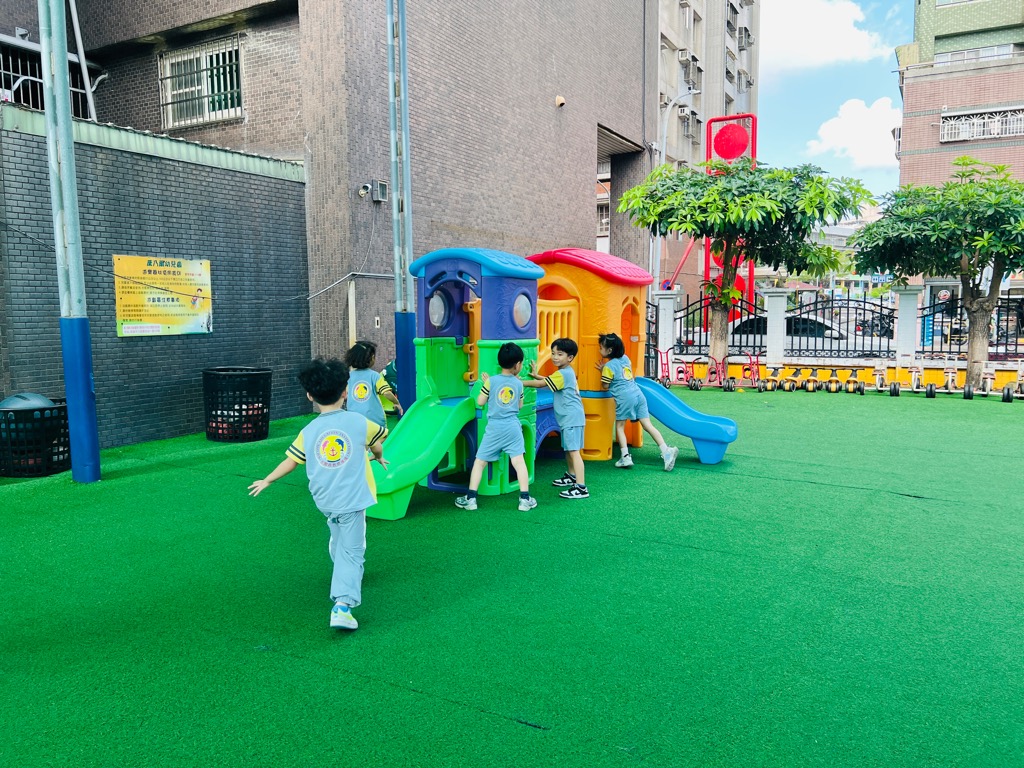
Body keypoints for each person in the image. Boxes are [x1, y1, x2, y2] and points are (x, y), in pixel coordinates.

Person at [248, 358, 388, 631]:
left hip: (325, 499)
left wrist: (268, 479)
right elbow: (377, 443)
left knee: (338, 534)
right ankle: (343, 605)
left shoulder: (309, 430)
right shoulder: (358, 421)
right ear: (345, 392)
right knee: (354, 551)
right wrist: (378, 456)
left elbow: (291, 461)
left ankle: (342, 566)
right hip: (352, 499)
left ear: (310, 396)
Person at [455, 342, 537, 512]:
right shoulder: (518, 383)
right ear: (517, 365)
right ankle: (524, 500)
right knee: (519, 462)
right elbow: (520, 405)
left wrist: (487, 385)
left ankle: (471, 499)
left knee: (480, 462)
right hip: (513, 427)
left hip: (494, 428)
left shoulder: (491, 381)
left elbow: (480, 402)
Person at [596, 332, 678, 471]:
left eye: (601, 348)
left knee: (620, 426)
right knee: (648, 425)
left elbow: (605, 385)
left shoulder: (609, 367)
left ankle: (625, 457)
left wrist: (602, 371)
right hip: (638, 394)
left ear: (609, 350)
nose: (599, 350)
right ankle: (666, 451)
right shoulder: (626, 359)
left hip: (625, 398)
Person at [522, 338, 588, 499]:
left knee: (574, 451)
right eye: (553, 353)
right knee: (569, 449)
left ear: (570, 357)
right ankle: (572, 476)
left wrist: (519, 382)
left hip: (571, 418)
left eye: (560, 354)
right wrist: (536, 375)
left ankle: (581, 487)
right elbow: (548, 382)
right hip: (570, 418)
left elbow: (541, 384)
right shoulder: (565, 372)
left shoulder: (563, 373)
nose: (555, 357)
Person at [344, 340, 402, 428]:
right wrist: (396, 402)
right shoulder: (375, 376)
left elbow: (344, 394)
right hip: (374, 421)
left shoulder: (348, 376)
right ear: (371, 358)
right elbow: (386, 392)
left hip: (355, 420)